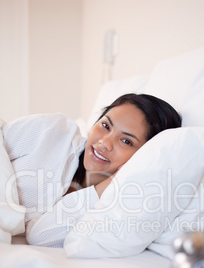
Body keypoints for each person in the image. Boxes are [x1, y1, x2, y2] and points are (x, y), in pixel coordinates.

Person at [3, 93, 181, 247]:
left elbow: (40, 237)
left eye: (126, 141)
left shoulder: (114, 204)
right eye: (105, 126)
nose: (104, 142)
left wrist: (108, 185)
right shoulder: (53, 131)